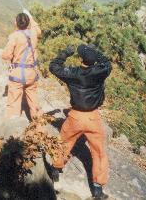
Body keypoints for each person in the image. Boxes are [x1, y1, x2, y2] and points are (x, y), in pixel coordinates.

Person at [49, 44, 112, 199]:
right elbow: (107, 63)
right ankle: (98, 190)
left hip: (75, 116)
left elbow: (54, 66)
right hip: (93, 117)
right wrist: (95, 52)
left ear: (81, 59)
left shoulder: (72, 73)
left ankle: (56, 172)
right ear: (93, 61)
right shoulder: (101, 72)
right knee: (99, 153)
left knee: (64, 143)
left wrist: (66, 52)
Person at [2, 11, 43, 120]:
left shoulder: (14, 36)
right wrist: (30, 16)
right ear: (28, 22)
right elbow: (37, 29)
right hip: (32, 73)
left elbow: (6, 55)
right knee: (33, 100)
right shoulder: (34, 34)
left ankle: (14, 129)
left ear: (16, 23)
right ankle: (39, 125)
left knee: (14, 102)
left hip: (18, 74)